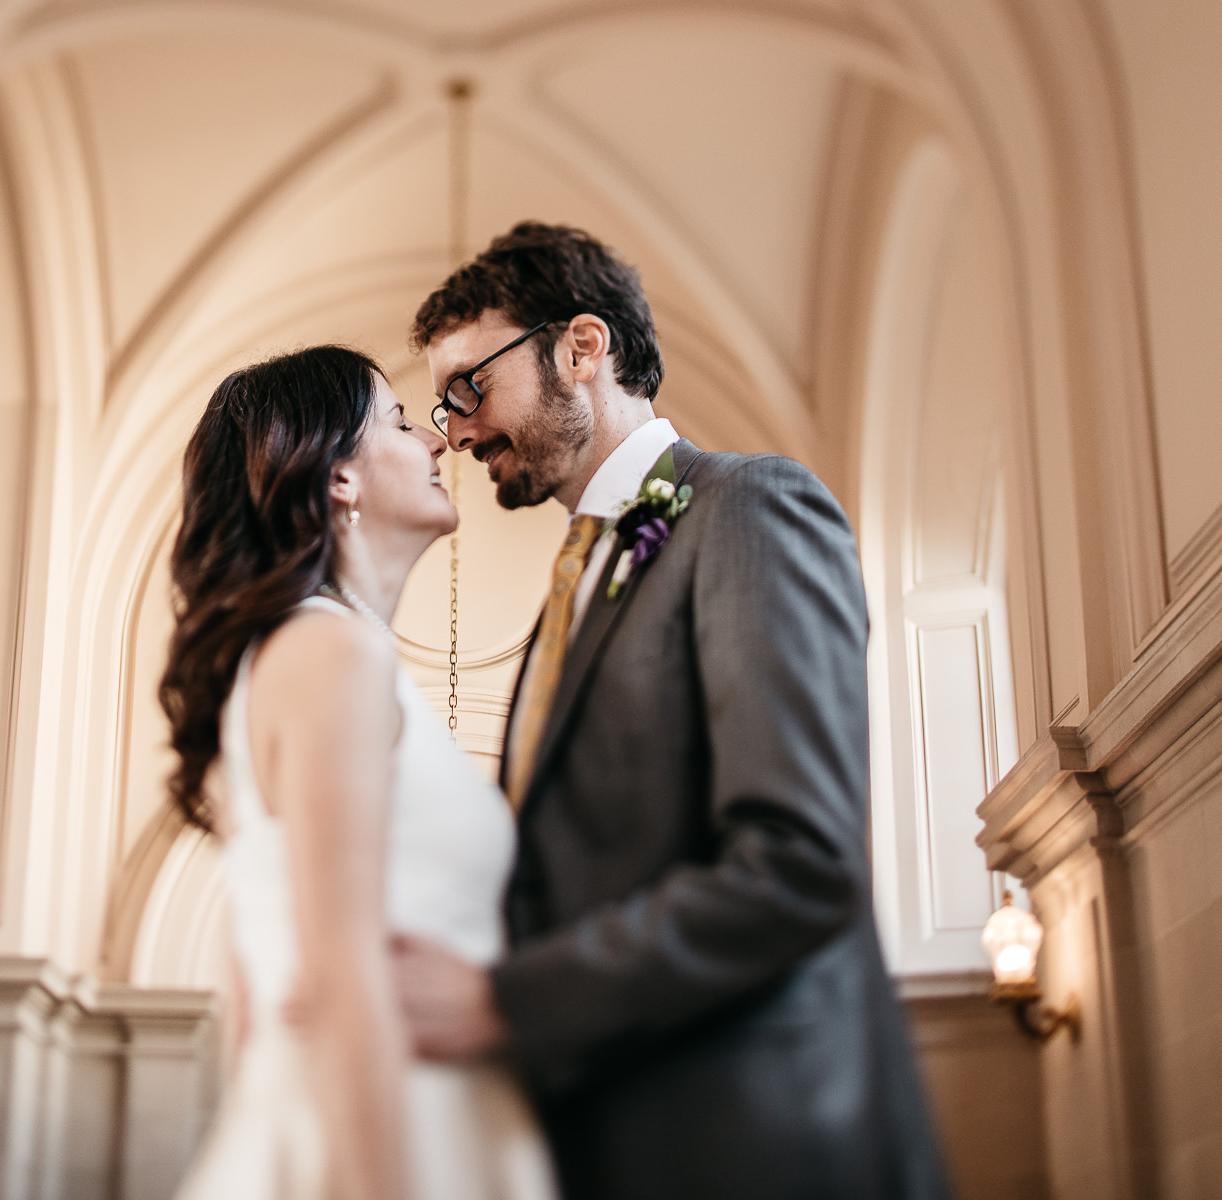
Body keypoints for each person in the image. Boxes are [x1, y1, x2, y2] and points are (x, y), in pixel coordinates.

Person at [391, 222, 952, 1200]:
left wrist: (506, 1004)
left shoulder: (750, 508)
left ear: (582, 348)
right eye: (443, 405)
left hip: (761, 1147)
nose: (455, 429)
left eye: (469, 387)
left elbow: (798, 860)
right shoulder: (571, 591)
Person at [160, 346, 558, 1200]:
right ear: (340, 477)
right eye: (403, 422)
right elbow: (340, 979)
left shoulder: (324, 651)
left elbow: (247, 984)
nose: (439, 442)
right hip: (394, 1146)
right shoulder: (327, 651)